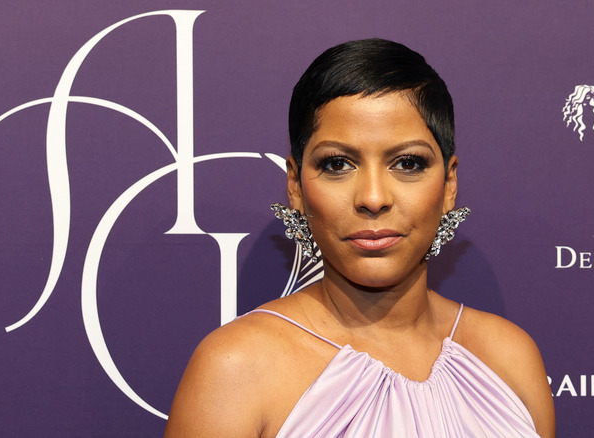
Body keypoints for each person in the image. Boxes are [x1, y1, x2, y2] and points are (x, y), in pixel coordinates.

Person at [164, 38, 555, 437]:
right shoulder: (236, 367)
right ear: (296, 185)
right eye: (337, 164)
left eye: (407, 163)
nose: (373, 198)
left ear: (449, 183)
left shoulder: (510, 356)